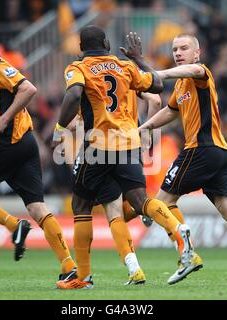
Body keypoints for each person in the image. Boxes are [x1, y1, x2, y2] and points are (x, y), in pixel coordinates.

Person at [138, 34, 227, 286]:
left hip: (200, 149)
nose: (178, 52)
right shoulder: (183, 86)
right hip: (219, 154)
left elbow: (193, 70)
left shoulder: (200, 72)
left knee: (162, 202)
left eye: (184, 48)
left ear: (197, 52)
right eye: (174, 49)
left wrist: (160, 74)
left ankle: (188, 256)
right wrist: (146, 127)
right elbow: (170, 111)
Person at [52, 25, 190, 290]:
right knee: (140, 200)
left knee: (81, 206)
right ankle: (178, 232)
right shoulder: (125, 67)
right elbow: (158, 85)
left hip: (98, 146)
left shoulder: (77, 68)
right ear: (106, 42)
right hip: (129, 145)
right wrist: (138, 58)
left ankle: (83, 277)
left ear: (81, 48)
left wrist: (59, 128)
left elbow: (73, 94)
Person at [0, 21, 77, 281]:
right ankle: (69, 267)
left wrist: (6, 119)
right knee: (37, 208)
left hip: (6, 144)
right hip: (26, 143)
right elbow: (1, 104)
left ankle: (13, 225)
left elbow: (28, 88)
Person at [68, 90, 162, 285]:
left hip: (99, 152)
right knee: (120, 209)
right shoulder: (126, 78)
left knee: (91, 208)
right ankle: (134, 267)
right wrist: (147, 133)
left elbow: (73, 124)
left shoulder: (90, 84)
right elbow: (154, 99)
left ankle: (84, 276)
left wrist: (66, 126)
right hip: (128, 147)